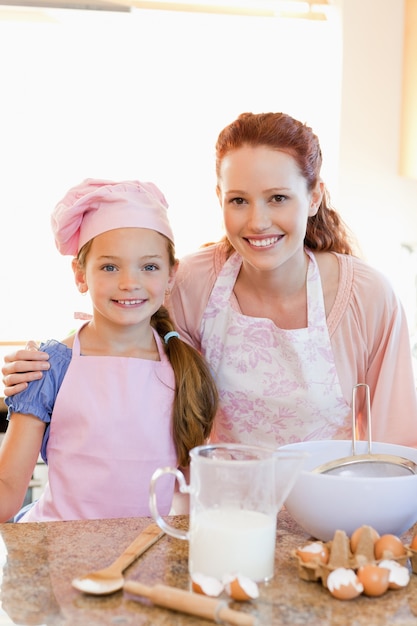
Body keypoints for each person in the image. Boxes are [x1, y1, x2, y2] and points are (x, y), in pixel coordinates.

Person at [3, 113, 417, 449]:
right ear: (219, 199)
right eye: (239, 200)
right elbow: (124, 346)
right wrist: (46, 368)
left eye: (278, 198)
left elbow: (396, 447)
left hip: (330, 523)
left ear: (313, 197)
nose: (258, 222)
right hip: (219, 511)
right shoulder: (194, 281)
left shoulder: (367, 295)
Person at [0, 178, 217, 523]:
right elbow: (7, 490)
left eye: (149, 266)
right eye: (109, 266)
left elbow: (192, 498)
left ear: (171, 274)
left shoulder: (183, 368)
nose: (129, 283)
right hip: (57, 553)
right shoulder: (50, 366)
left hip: (145, 560)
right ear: (80, 274)